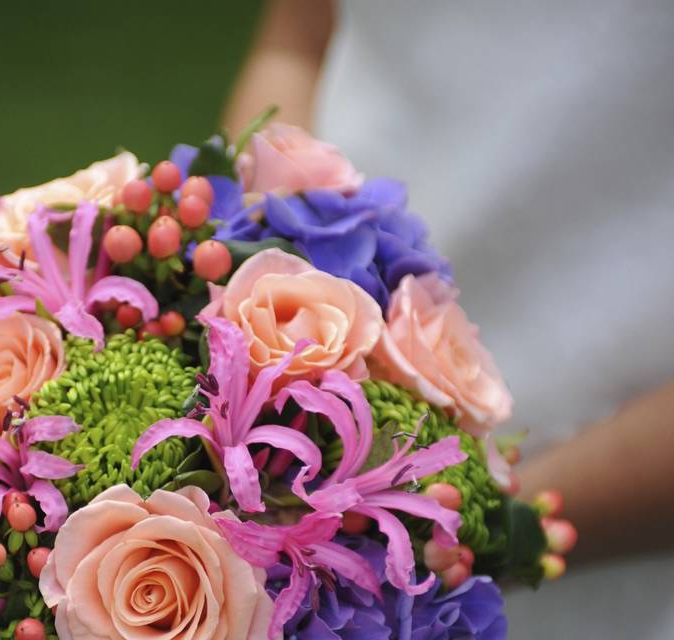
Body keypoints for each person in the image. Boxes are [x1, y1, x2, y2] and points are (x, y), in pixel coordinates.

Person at [224, 1, 674, 638]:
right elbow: (296, 40)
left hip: (612, 491)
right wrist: (251, 258)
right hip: (308, 286)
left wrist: (484, 531)